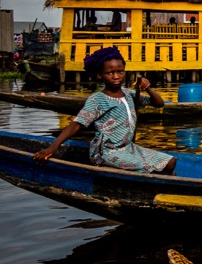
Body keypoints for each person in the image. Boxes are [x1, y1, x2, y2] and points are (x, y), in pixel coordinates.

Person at [33, 47, 176, 174]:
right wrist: (52, 147)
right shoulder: (98, 99)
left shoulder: (129, 94)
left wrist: (147, 88)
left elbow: (159, 103)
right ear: (100, 75)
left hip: (128, 147)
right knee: (150, 168)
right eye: (110, 73)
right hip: (107, 152)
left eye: (120, 71)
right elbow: (77, 124)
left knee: (170, 163)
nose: (116, 76)